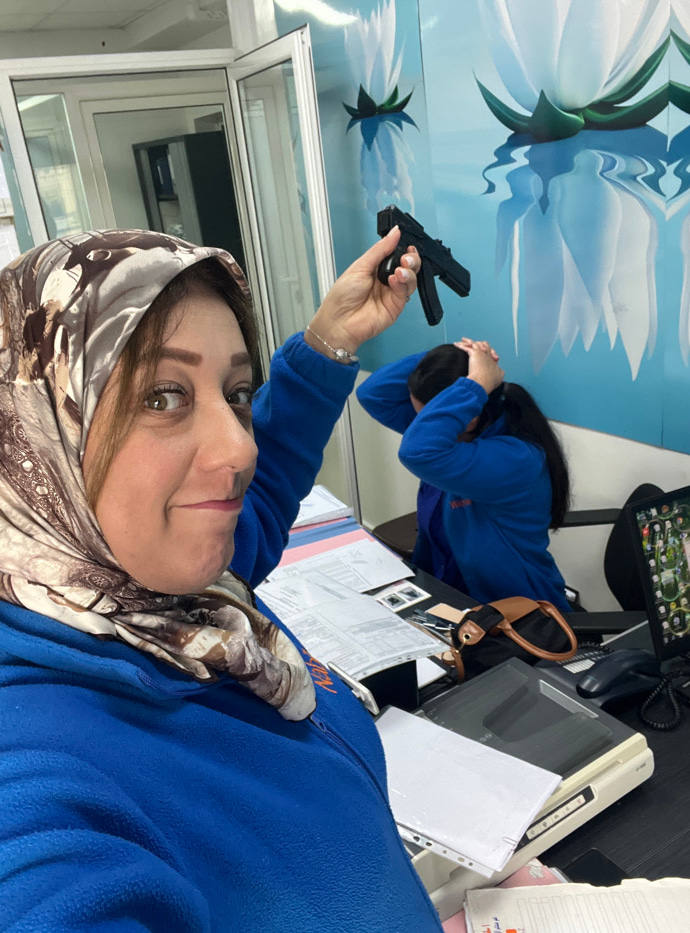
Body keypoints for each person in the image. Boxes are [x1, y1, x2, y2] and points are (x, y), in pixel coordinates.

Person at [0, 228, 444, 931]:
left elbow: (261, 487)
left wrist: (330, 340)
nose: (239, 447)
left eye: (237, 393)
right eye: (162, 397)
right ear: (37, 429)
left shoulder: (169, 592)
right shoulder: (37, 782)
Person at [356, 338, 570, 612]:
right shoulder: (457, 435)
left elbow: (416, 451)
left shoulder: (515, 458)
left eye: (430, 416)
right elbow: (373, 394)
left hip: (512, 610)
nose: (420, 422)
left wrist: (476, 382)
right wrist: (458, 356)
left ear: (467, 416)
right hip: (448, 589)